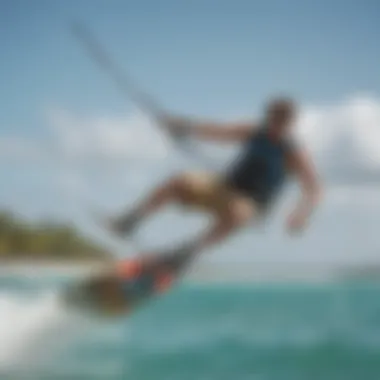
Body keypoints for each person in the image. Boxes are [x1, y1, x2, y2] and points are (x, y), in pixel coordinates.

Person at [104, 96, 322, 259]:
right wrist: (184, 127)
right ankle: (130, 222)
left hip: (251, 204)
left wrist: (301, 215)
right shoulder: (255, 131)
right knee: (179, 181)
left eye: (280, 123)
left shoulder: (294, 152)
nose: (274, 127)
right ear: (268, 117)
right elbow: (217, 131)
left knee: (238, 214)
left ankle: (187, 253)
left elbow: (314, 188)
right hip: (225, 187)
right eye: (272, 120)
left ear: (289, 123)